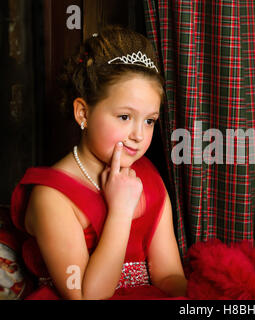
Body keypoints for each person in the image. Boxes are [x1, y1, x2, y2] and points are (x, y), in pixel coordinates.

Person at [9, 25, 187, 300]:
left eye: (149, 120)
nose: (139, 135)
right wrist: (120, 210)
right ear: (83, 112)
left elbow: (169, 275)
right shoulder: (52, 197)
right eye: (124, 117)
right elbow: (86, 297)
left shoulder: (148, 177)